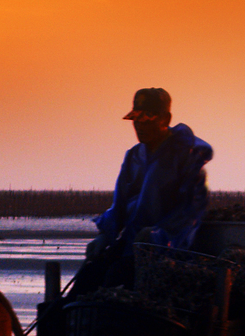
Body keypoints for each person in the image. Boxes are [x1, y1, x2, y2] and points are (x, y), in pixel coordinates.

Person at [77, 87, 212, 290]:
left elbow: (191, 212)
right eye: (136, 120)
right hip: (129, 247)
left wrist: (157, 234)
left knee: (116, 277)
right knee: (88, 277)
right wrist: (104, 235)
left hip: (167, 254)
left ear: (165, 119)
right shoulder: (133, 157)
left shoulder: (187, 157)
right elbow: (119, 206)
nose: (139, 126)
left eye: (147, 119)